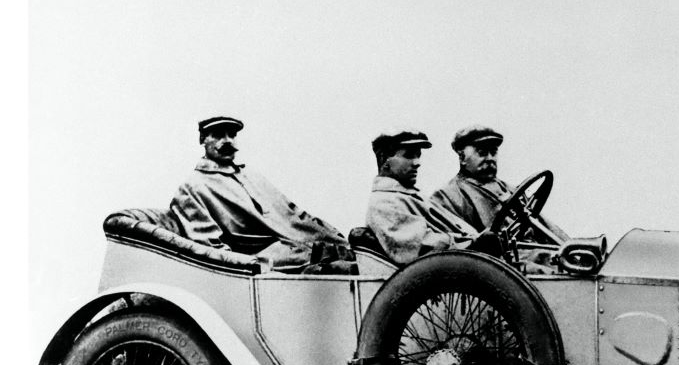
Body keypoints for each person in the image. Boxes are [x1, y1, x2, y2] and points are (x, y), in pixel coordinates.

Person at [169, 116, 354, 273]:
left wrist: (336, 237)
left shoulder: (251, 175)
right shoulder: (193, 187)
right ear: (202, 140)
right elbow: (210, 250)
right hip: (273, 263)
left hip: (311, 250)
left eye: (231, 135)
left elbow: (292, 213)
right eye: (218, 135)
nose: (227, 141)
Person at [365, 129, 502, 266]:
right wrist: (473, 244)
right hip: (453, 273)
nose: (417, 162)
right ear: (384, 159)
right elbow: (420, 247)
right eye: (409, 156)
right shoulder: (384, 203)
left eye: (418, 155)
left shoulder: (408, 196)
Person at [430, 125, 568, 240]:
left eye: (493, 152)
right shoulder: (447, 196)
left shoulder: (511, 190)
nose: (490, 158)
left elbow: (541, 224)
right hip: (502, 263)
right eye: (482, 153)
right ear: (462, 157)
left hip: (535, 252)